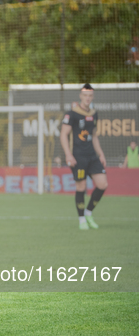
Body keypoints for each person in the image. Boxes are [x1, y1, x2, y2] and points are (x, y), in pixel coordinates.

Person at [60, 83, 107, 230]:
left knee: (103, 184)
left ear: (92, 96)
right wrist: (68, 155)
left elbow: (94, 136)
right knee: (81, 186)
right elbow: (63, 135)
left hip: (92, 156)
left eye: (90, 95)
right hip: (78, 157)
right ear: (81, 96)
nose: (87, 98)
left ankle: (88, 212)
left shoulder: (94, 114)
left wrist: (101, 153)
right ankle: (81, 219)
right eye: (85, 95)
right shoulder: (72, 113)